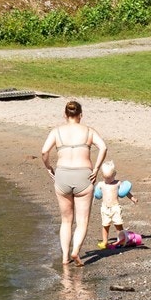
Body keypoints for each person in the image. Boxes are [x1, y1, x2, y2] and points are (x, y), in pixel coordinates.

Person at [40, 99, 107, 267]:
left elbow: (44, 151)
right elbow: (103, 147)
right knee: (82, 220)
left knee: (66, 220)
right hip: (84, 176)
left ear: (65, 115)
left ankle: (64, 257)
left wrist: (48, 167)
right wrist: (96, 168)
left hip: (62, 175)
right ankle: (76, 250)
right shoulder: (89, 131)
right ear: (81, 115)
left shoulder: (57, 131)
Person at [93, 161, 138, 249]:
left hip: (115, 207)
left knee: (118, 224)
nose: (108, 180)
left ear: (114, 174)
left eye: (110, 178)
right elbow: (96, 195)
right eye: (106, 178)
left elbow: (125, 192)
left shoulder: (118, 183)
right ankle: (105, 241)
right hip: (105, 208)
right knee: (105, 225)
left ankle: (120, 240)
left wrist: (133, 198)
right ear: (102, 175)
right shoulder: (101, 184)